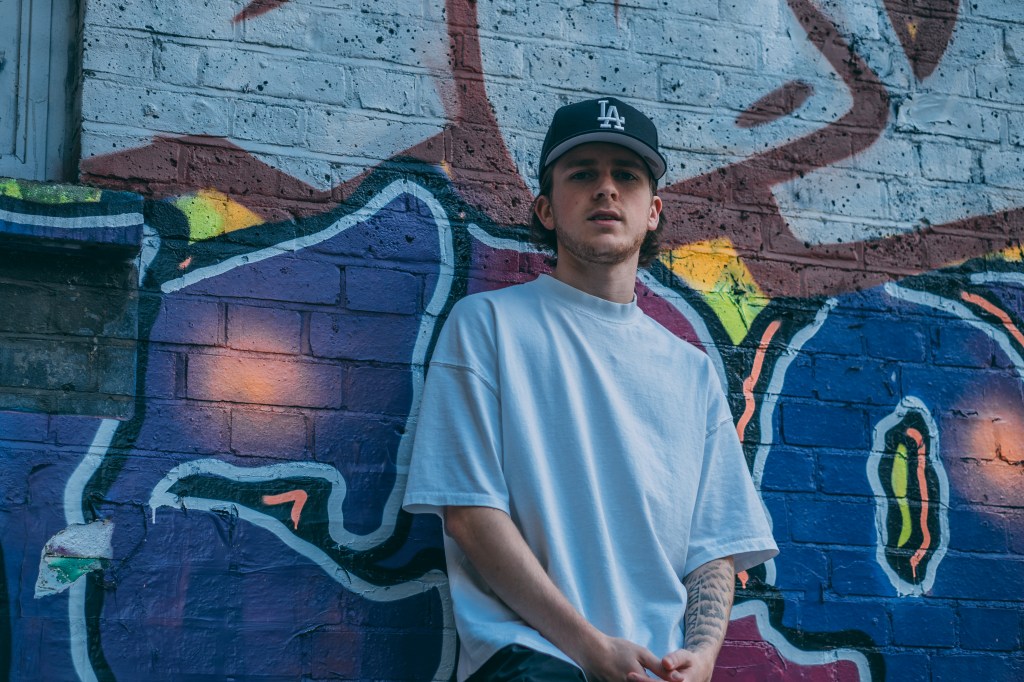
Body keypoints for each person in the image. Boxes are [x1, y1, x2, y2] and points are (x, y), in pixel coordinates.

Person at [403, 97, 778, 682]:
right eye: (582, 174)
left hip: (656, 669)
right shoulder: (488, 326)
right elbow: (470, 516)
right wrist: (589, 648)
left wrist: (702, 657)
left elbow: (715, 544)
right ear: (546, 209)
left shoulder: (691, 370)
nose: (606, 189)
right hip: (534, 661)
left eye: (626, 175)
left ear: (652, 211)